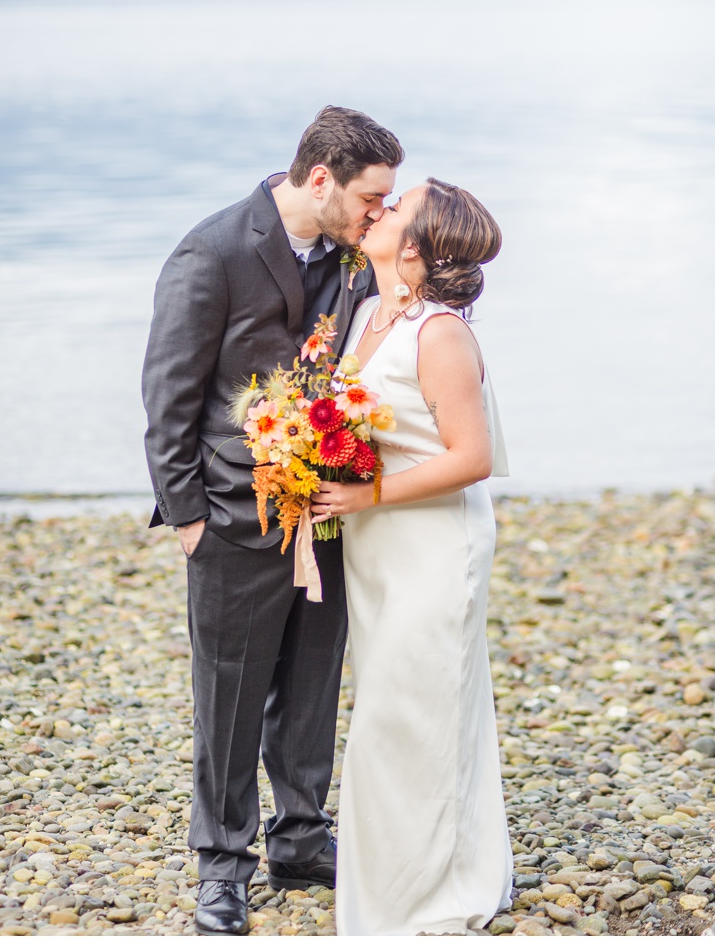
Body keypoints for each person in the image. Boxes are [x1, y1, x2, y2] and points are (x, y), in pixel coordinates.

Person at [141, 106, 402, 936]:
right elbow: (168, 396)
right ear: (319, 177)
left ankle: (299, 835)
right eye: (370, 197)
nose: (379, 214)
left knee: (314, 682)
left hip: (327, 506)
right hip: (230, 515)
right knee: (230, 696)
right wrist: (188, 517)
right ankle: (222, 865)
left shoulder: (357, 255)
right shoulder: (212, 250)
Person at [308, 178, 513, 935]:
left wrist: (368, 496)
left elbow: (474, 456)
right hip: (379, 550)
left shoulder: (441, 333)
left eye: (397, 209)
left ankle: (422, 895)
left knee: (407, 714)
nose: (380, 212)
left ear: (419, 246)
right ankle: (435, 866)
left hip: (433, 542)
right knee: (412, 706)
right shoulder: (368, 311)